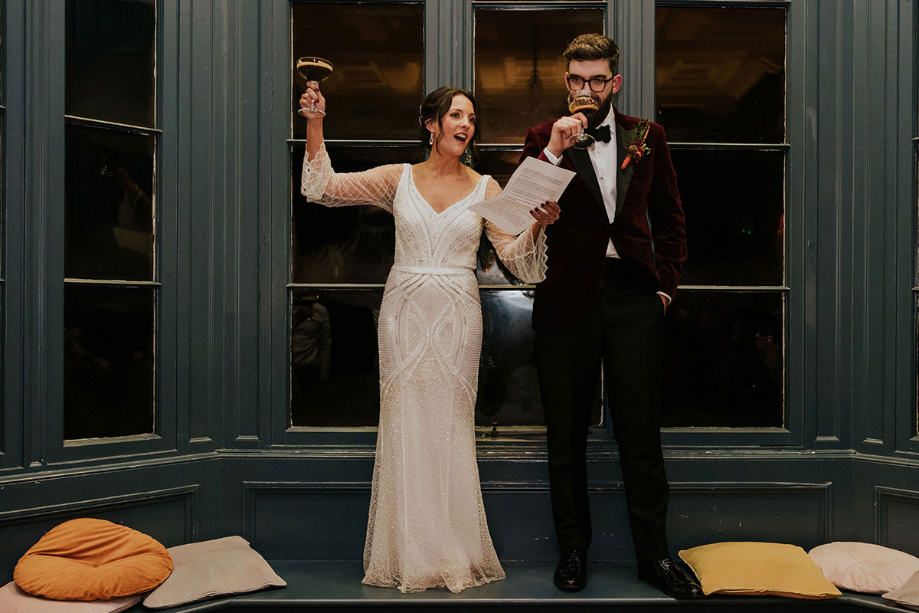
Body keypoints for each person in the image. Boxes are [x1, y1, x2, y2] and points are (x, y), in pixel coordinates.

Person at [299, 83, 559, 593]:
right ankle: (405, 553)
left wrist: (539, 226)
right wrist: (314, 122)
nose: (466, 124)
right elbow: (323, 187)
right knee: (404, 421)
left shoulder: (487, 187)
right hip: (405, 313)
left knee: (450, 425)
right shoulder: (398, 178)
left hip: (458, 314)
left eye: (472, 118)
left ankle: (450, 552)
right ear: (431, 124)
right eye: (456, 115)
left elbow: (514, 254)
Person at [519, 33, 700, 598]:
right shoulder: (542, 137)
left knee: (641, 435)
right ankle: (573, 553)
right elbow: (516, 214)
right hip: (565, 298)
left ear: (614, 83)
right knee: (565, 435)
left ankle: (654, 558)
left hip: (632, 300)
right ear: (566, 80)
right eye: (577, 80)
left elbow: (671, 219)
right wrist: (552, 150)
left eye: (598, 80)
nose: (586, 90)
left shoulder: (648, 136)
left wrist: (664, 290)